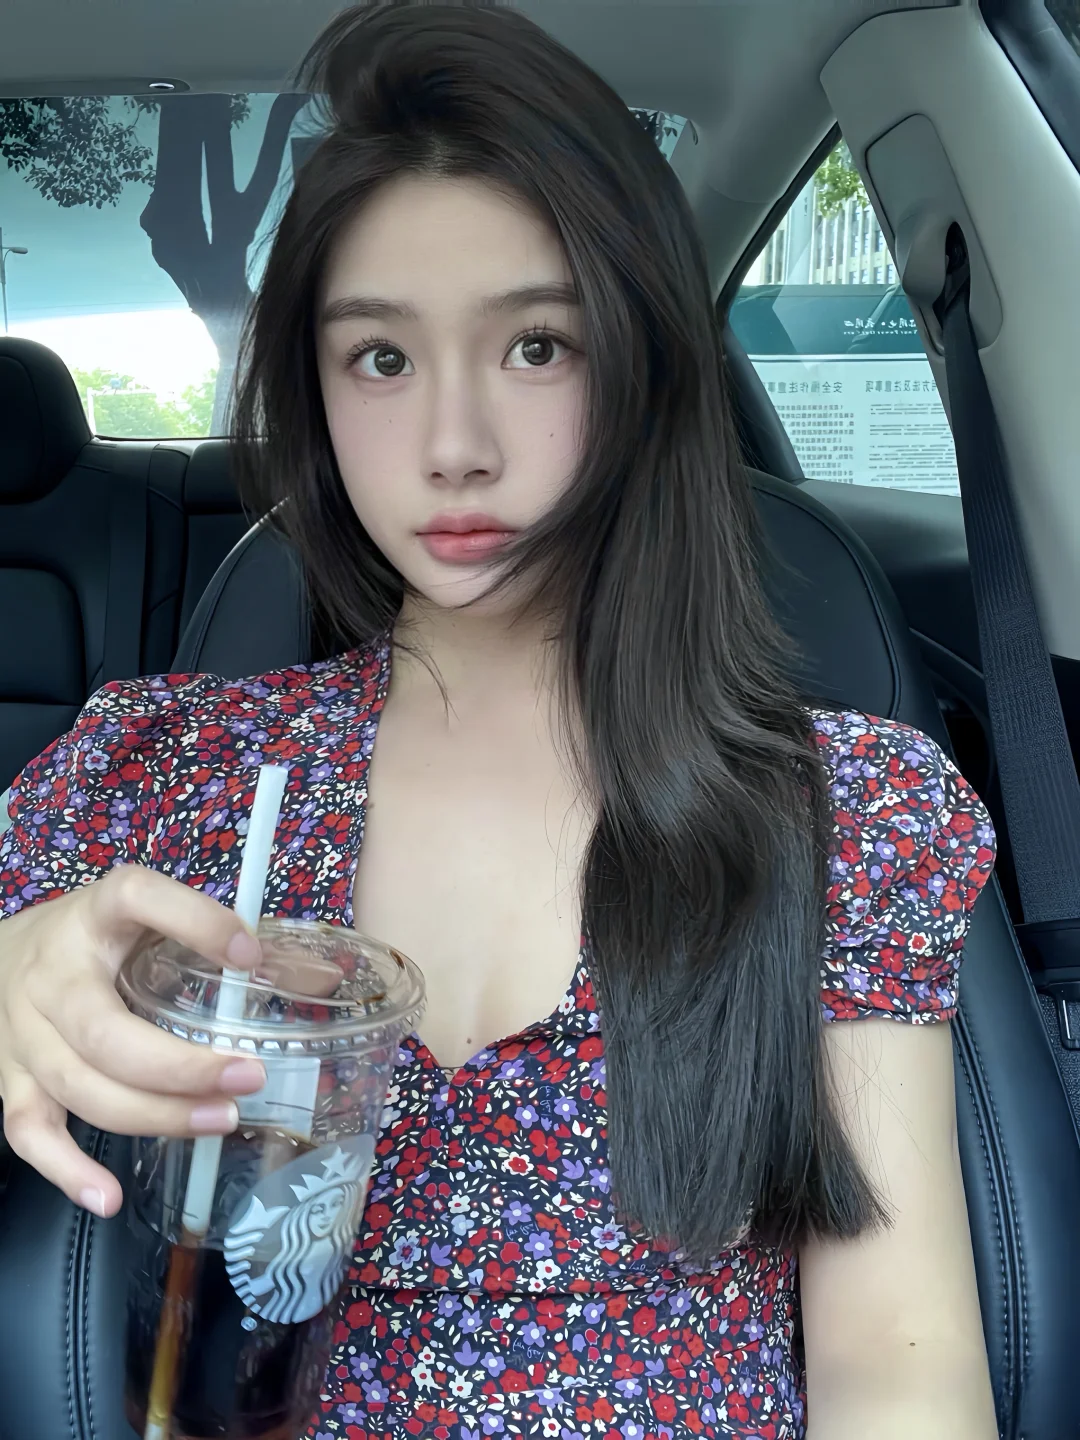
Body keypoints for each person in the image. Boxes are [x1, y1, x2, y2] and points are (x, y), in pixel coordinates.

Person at [0, 4, 1000, 1438]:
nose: (455, 445)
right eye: (381, 359)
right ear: (314, 392)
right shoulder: (162, 779)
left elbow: (896, 1371)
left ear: (644, 366)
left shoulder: (840, 813)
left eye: (537, 346)